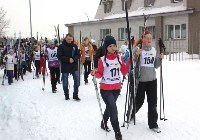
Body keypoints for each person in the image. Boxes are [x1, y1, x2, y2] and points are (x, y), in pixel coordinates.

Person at [91, 36, 130, 140]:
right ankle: (118, 133)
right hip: (106, 89)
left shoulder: (119, 58)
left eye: (114, 45)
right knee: (113, 109)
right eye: (110, 46)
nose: (113, 48)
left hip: (116, 89)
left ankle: (103, 123)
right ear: (106, 47)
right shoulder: (102, 60)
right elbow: (99, 74)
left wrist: (129, 59)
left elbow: (124, 71)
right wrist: (95, 72)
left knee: (109, 107)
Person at [132, 31, 164, 133]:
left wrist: (160, 58)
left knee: (153, 102)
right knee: (139, 101)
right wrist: (137, 54)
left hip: (152, 80)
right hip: (141, 80)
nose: (150, 40)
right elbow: (133, 59)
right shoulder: (138, 49)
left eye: (151, 38)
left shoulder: (153, 50)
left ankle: (153, 124)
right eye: (147, 38)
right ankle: (131, 114)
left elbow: (156, 65)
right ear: (143, 39)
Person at [57, 33, 80, 100]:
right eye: (68, 39)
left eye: (71, 39)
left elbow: (78, 55)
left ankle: (75, 95)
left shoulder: (74, 46)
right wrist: (68, 59)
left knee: (77, 81)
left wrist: (74, 59)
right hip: (65, 66)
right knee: (65, 83)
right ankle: (66, 95)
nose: (70, 40)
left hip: (74, 66)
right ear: (65, 39)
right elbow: (59, 56)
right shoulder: (61, 46)